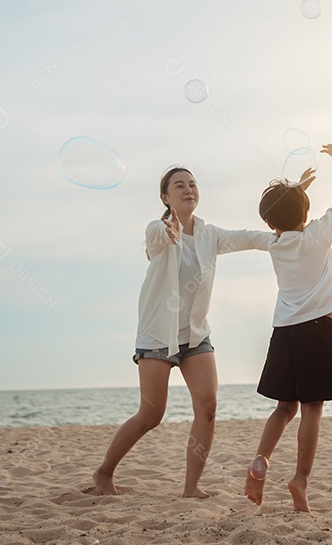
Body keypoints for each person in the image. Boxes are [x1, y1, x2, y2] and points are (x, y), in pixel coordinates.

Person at [92, 166, 271, 498]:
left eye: (192, 184)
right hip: (158, 335)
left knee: (208, 407)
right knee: (151, 414)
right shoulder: (157, 230)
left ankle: (191, 488)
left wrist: (286, 226)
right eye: (179, 185)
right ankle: (104, 472)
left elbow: (248, 237)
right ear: (165, 197)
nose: (188, 189)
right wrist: (169, 232)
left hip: (195, 335)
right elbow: (156, 238)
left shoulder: (209, 234)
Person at [243, 145, 332, 513]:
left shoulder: (274, 243)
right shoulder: (317, 235)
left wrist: (297, 189)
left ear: (268, 223)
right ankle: (300, 480)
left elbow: (283, 215)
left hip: (284, 334)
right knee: (312, 410)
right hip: (317, 332)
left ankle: (261, 458)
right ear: (307, 212)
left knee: (284, 407)